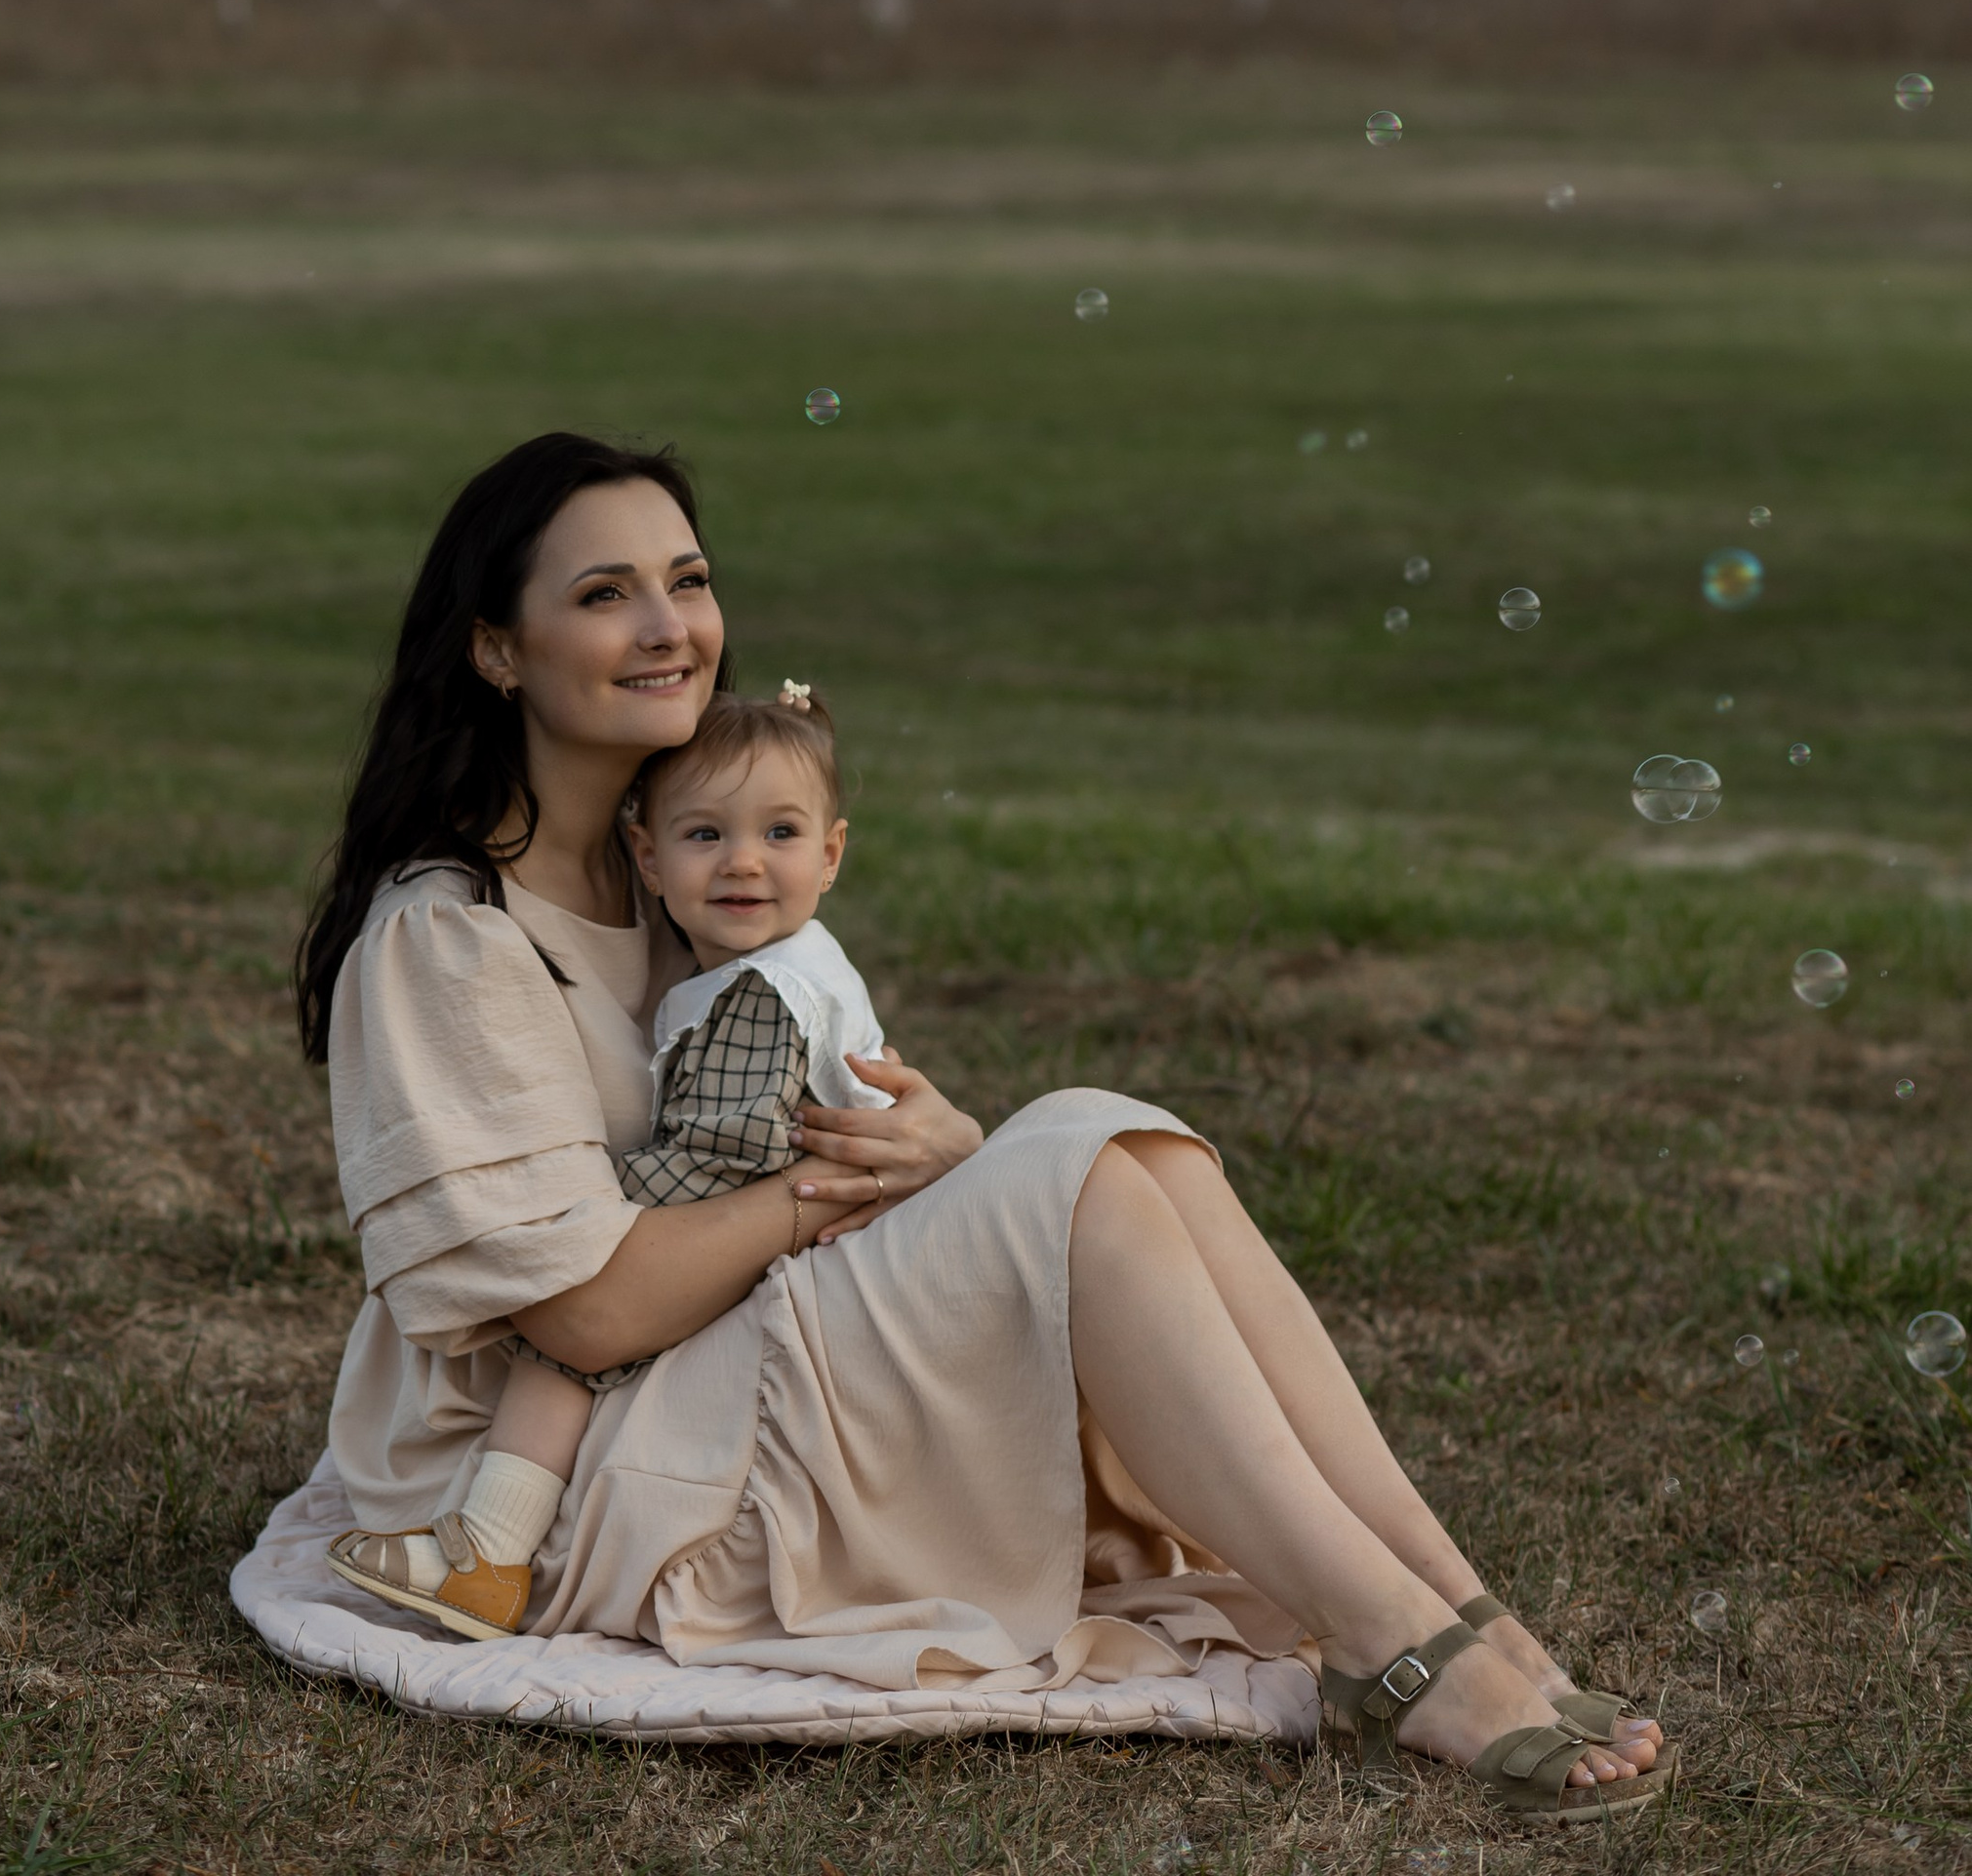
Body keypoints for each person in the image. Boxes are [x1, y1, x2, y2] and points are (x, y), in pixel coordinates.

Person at [294, 433, 1671, 1822]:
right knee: (1076, 1161)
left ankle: (1454, 1604)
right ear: (495, 651)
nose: (671, 628)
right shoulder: (451, 938)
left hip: (715, 1331)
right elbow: (584, 1314)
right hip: (547, 1475)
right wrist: (839, 1194)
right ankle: (1391, 1644)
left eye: (688, 579)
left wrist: (939, 1148)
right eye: (605, 595)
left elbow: (807, 1096)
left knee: (1130, 1150)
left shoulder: (695, 866)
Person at [325, 675, 891, 1636]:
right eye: (706, 835)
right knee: (586, 1294)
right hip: (802, 1243)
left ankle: (489, 1554)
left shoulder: (757, 992)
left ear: (832, 853)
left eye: (781, 835)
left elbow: (730, 1151)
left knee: (569, 1319)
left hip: (791, 1257)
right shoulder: (763, 963)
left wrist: (592, 1209)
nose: (744, 863)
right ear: (649, 854)